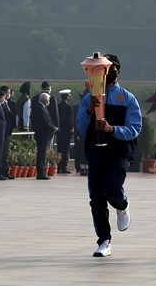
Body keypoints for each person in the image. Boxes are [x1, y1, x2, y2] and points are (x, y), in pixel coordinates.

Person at [75, 53, 142, 258]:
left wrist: (112, 129)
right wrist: (88, 111)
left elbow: (135, 128)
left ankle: (122, 204)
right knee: (96, 197)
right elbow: (80, 127)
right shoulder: (89, 97)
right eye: (105, 67)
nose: (110, 70)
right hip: (96, 151)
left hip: (120, 152)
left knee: (112, 189)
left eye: (113, 66)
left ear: (118, 71)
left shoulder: (128, 98)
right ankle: (104, 240)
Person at [31, 92, 57, 180]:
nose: (49, 101)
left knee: (43, 154)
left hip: (43, 135)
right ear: (45, 100)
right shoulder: (39, 109)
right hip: (42, 135)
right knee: (41, 154)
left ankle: (42, 172)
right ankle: (41, 173)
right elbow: (44, 122)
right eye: (48, 100)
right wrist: (54, 128)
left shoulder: (42, 108)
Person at [0, 85, 15, 180]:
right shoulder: (0, 104)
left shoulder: (7, 103)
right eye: (8, 93)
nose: (9, 94)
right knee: (1, 153)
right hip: (2, 132)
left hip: (7, 132)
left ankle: (5, 171)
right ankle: (0, 172)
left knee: (5, 154)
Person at [57, 89, 74, 173]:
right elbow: (70, 120)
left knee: (59, 149)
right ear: (67, 97)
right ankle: (64, 167)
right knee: (65, 149)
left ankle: (58, 166)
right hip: (66, 132)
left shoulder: (58, 106)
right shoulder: (69, 107)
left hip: (59, 131)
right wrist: (72, 128)